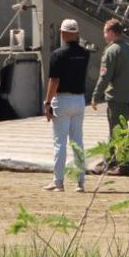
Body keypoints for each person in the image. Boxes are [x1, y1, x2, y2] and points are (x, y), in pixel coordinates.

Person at [44, 18, 91, 192]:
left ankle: (58, 182)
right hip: (79, 101)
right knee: (77, 142)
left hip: (62, 100)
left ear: (63, 33)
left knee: (60, 143)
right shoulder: (85, 54)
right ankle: (80, 182)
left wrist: (47, 102)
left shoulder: (57, 54)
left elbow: (54, 80)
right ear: (77, 34)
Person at [89, 18, 129, 174]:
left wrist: (96, 96)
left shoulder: (111, 51)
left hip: (116, 97)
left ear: (111, 32)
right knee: (121, 128)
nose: (104, 35)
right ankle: (118, 162)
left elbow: (105, 77)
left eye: (105, 32)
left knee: (115, 130)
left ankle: (116, 164)